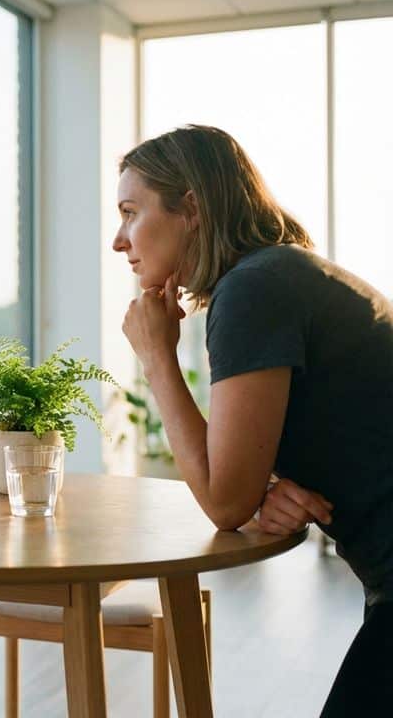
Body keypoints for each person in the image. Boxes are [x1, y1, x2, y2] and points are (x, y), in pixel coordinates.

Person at [112, 124, 392, 717]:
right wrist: (262, 486)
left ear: (191, 207)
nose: (119, 240)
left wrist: (158, 357)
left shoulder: (253, 291)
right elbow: (243, 478)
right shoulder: (279, 274)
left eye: (131, 213)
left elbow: (223, 501)